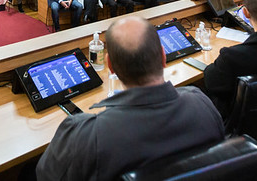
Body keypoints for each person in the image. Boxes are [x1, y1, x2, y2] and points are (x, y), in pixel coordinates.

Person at [36, 16, 224, 181]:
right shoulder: (202, 103)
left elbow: (45, 176)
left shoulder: (86, 135)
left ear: (110, 66)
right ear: (163, 56)